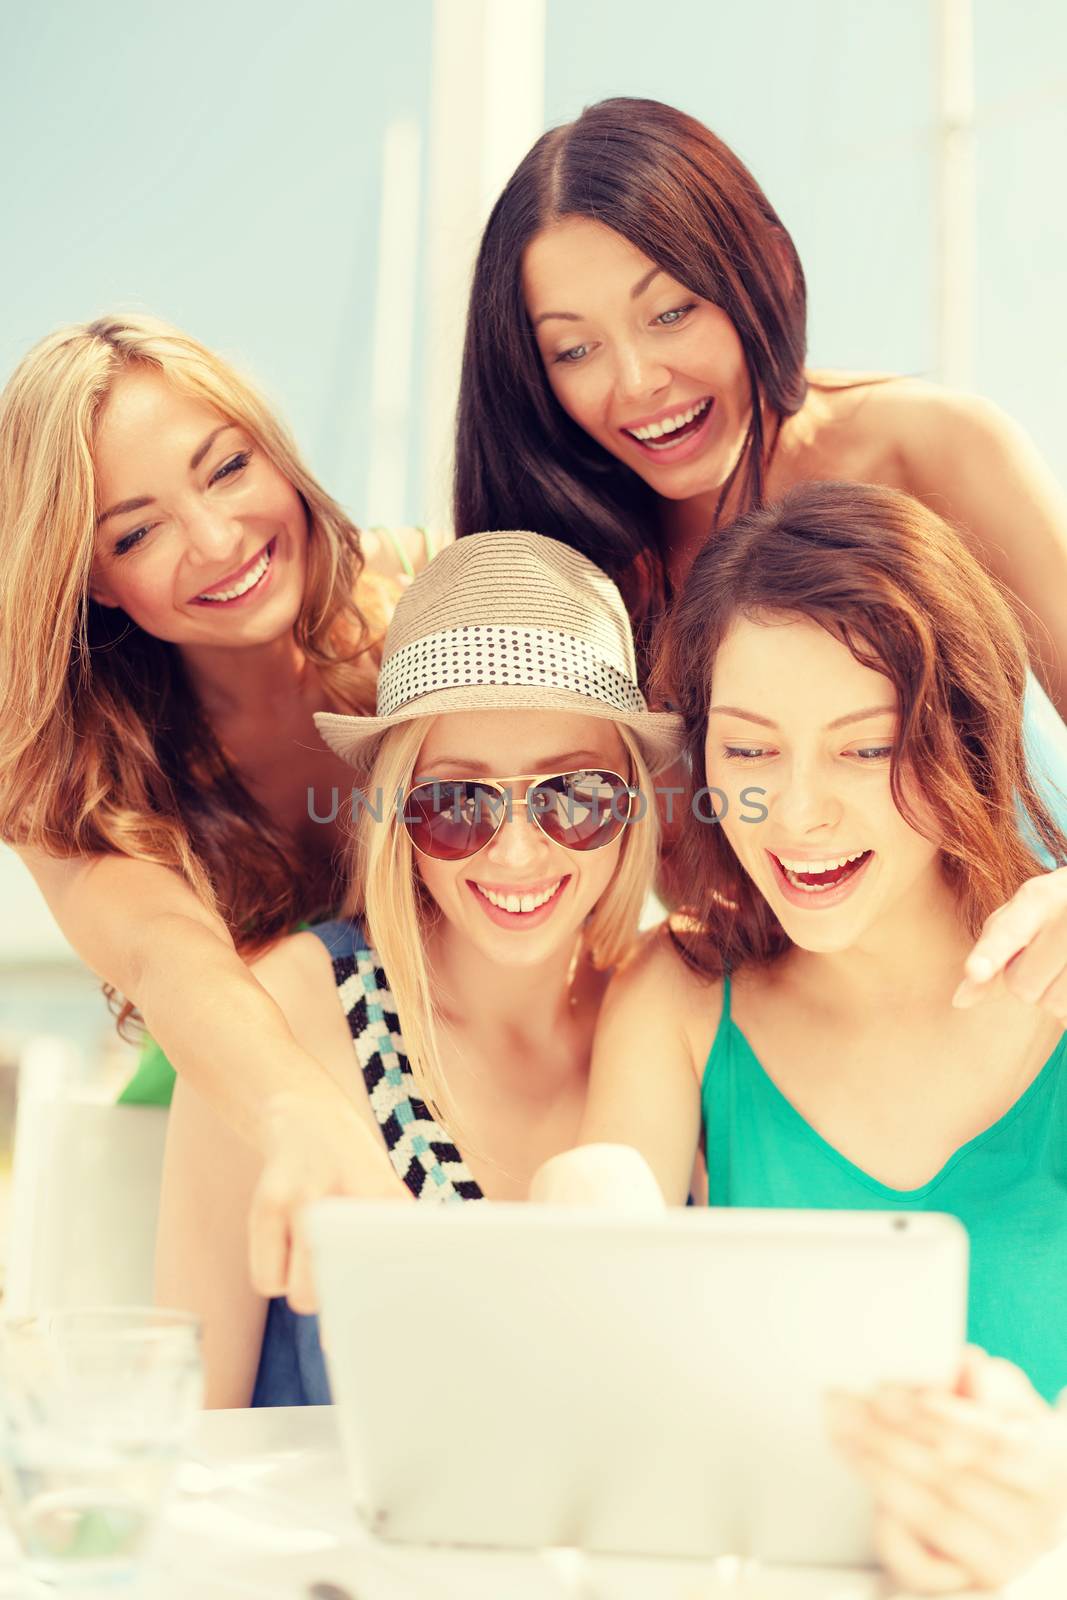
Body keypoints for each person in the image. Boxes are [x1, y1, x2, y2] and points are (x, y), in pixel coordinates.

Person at [535, 481, 1067, 1593]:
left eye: (863, 750)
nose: (797, 812)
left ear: (964, 736)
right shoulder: (679, 995)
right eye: (748, 752)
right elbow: (614, 1381)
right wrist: (576, 1228)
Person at [454, 94, 1067, 1012]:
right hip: (830, 1047)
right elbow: (696, 898)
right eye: (573, 348)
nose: (635, 382)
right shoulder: (578, 587)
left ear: (764, 268)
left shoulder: (930, 450)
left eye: (670, 313)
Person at [154, 530, 682, 1405]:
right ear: (396, 813)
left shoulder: (672, 1011)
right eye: (456, 802)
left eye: (576, 797)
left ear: (633, 805)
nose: (517, 854)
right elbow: (189, 1433)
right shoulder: (279, 1021)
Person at [0, 313, 440, 1307]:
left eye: (227, 468)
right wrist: (297, 1113)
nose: (214, 540)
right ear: (93, 581)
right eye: (136, 531)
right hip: (225, 1123)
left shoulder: (427, 604)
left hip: (459, 1097)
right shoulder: (62, 771)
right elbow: (167, 953)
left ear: (275, 453)